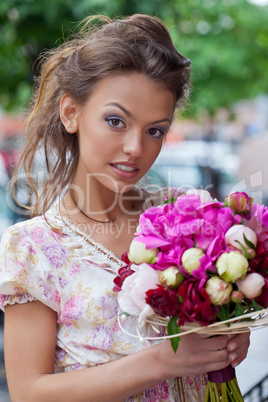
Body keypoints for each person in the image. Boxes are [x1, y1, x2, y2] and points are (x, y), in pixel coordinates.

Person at [0, 14, 250, 401]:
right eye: (116, 121)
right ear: (71, 113)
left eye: (155, 130)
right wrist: (162, 362)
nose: (136, 147)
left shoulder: (186, 220)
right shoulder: (32, 248)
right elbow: (28, 392)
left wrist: (229, 338)